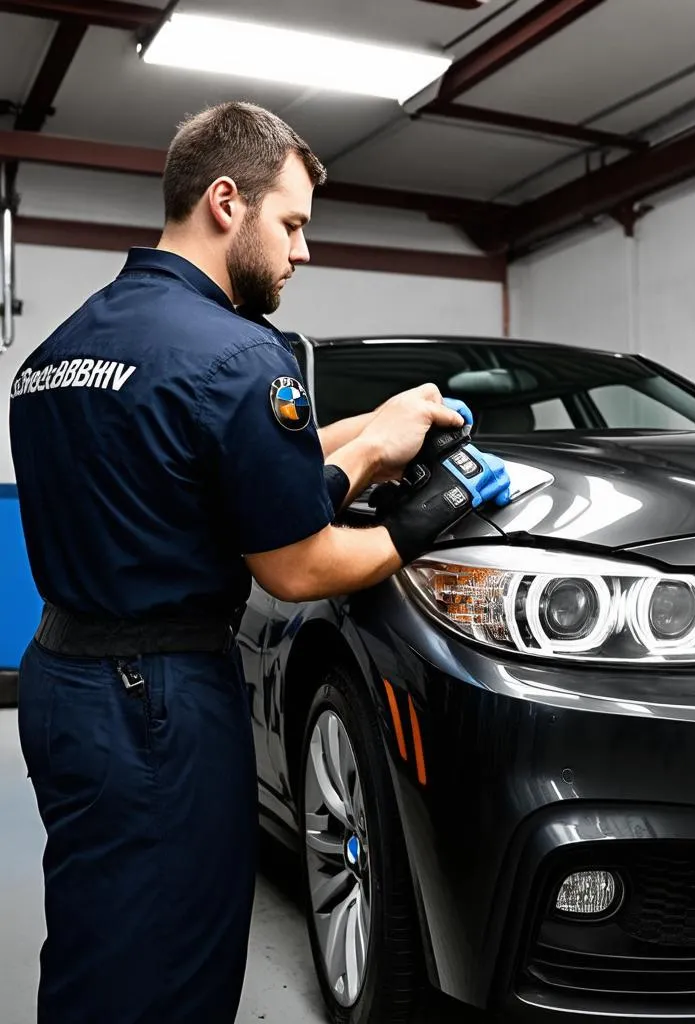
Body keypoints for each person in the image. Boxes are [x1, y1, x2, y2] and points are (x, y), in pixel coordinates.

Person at [8, 101, 508, 1024]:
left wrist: (375, 431)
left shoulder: (56, 354)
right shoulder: (242, 355)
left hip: (61, 682)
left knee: (98, 933)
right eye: (293, 224)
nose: (302, 252)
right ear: (226, 202)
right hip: (159, 700)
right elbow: (298, 566)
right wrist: (439, 509)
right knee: (180, 960)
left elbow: (209, 483)